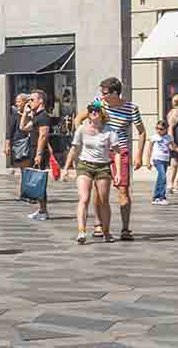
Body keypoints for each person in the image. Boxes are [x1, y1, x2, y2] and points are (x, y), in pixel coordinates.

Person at [91, 79, 142, 239]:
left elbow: (142, 131)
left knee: (123, 189)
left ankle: (125, 229)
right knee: (99, 190)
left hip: (121, 151)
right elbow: (81, 118)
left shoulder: (131, 108)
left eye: (105, 93)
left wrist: (139, 155)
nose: (102, 95)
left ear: (114, 93)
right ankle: (98, 224)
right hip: (101, 151)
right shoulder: (99, 103)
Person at [63, 101, 117, 245]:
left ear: (102, 114)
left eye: (96, 110)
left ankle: (106, 231)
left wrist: (116, 171)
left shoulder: (110, 131)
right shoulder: (81, 129)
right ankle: (81, 231)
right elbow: (74, 149)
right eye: (90, 110)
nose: (93, 112)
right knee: (84, 198)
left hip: (102, 166)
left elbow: (116, 152)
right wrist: (66, 168)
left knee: (104, 200)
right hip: (84, 165)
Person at [18, 91, 55, 222]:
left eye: (32, 99)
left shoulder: (44, 116)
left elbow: (43, 135)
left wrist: (39, 154)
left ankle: (43, 211)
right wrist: (25, 113)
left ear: (40, 101)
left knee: (39, 181)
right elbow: (22, 127)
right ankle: (41, 209)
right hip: (33, 149)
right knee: (37, 181)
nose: (29, 102)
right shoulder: (36, 116)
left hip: (39, 151)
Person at [147, 120, 174, 205]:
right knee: (163, 176)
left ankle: (156, 197)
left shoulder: (169, 137)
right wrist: (148, 161)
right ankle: (162, 197)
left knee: (160, 178)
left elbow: (173, 147)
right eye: (157, 128)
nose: (159, 130)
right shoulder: (154, 137)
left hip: (165, 159)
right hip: (157, 159)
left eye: (161, 129)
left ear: (166, 129)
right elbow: (149, 149)